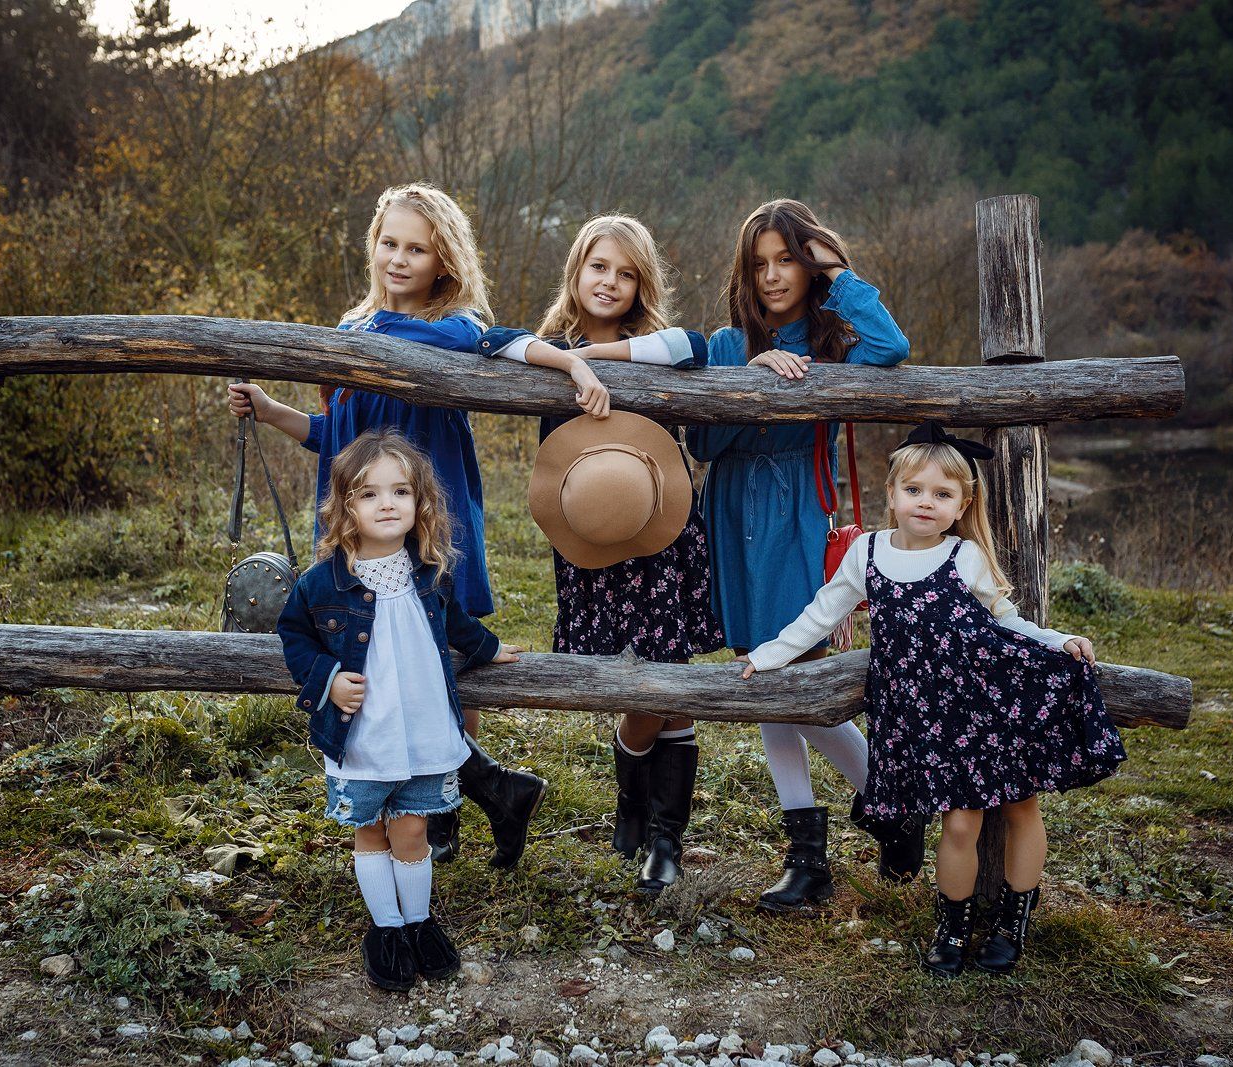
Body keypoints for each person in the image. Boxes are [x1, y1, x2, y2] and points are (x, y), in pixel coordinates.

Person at [230, 182, 546, 870]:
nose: (398, 259)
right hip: (364, 527)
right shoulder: (353, 332)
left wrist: (347, 342)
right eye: (388, 243)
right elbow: (338, 434)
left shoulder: (453, 329)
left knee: (443, 657)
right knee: (383, 660)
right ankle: (492, 792)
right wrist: (271, 408)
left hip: (428, 523)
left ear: (444, 260)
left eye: (417, 248)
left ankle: (444, 812)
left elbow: (463, 336)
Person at [741, 422, 1127, 975]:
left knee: (1021, 807)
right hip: (926, 716)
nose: (926, 502)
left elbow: (1006, 621)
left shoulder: (964, 556)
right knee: (960, 823)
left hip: (988, 703)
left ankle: (1012, 923)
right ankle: (952, 929)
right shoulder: (866, 553)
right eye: (915, 490)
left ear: (961, 505)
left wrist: (1055, 641)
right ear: (892, 493)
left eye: (942, 494)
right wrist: (767, 655)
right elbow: (820, 615)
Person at [684, 199, 920, 911]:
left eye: (787, 259)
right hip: (732, 513)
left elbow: (893, 347)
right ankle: (824, 843)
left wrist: (839, 274)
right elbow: (704, 443)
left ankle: (881, 804)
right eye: (759, 263)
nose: (772, 275)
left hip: (796, 517)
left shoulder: (835, 345)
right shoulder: (727, 344)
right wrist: (752, 377)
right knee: (762, 672)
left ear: (810, 263)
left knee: (794, 672)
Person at [477, 215, 721, 895]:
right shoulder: (546, 350)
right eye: (599, 267)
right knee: (631, 677)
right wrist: (570, 360)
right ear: (576, 271)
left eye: (627, 273)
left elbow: (695, 345)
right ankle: (634, 798)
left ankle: (663, 835)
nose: (610, 282)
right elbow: (491, 340)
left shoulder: (658, 348)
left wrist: (600, 358)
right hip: (590, 537)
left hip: (659, 533)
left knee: (668, 679)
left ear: (642, 284)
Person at [277, 430, 523, 991]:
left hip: (422, 730)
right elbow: (295, 637)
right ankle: (386, 929)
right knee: (370, 832)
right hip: (363, 733)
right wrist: (328, 681)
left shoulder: (428, 573)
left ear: (420, 502)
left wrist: (488, 648)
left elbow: (456, 624)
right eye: (369, 494)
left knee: (412, 830)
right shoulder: (321, 584)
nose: (387, 504)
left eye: (400, 491)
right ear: (345, 508)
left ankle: (418, 922)